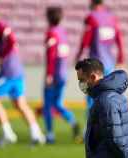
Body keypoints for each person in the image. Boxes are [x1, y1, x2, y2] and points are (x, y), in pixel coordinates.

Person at [0, 5, 44, 146]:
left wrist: (1, 57)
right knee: (20, 104)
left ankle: (8, 133)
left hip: (8, 72)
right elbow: (7, 46)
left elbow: (12, 42)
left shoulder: (1, 26)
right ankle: (37, 134)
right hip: (17, 70)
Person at [75, 58, 128, 158]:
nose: (81, 84)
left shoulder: (106, 101)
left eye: (82, 80)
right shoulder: (109, 96)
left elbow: (116, 139)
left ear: (92, 77)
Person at [75, 0, 125, 109]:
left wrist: (79, 56)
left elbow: (86, 41)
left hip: (94, 65)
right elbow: (119, 39)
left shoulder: (92, 17)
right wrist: (121, 58)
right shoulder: (112, 18)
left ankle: (92, 125)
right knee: (108, 96)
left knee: (92, 97)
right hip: (109, 65)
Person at [43, 6, 80, 144]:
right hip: (64, 73)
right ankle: (73, 122)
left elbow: (51, 55)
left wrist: (49, 74)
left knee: (48, 105)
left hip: (54, 74)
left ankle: (50, 134)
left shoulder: (51, 33)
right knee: (58, 103)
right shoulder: (62, 32)